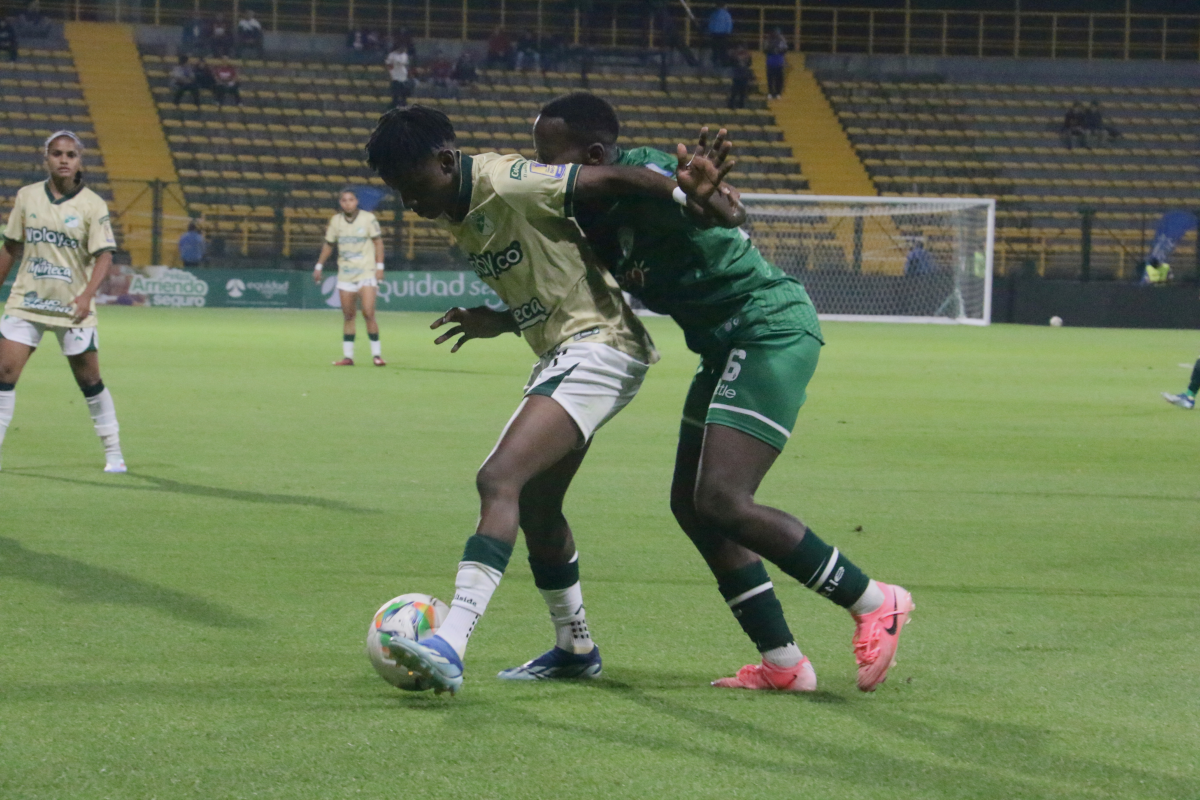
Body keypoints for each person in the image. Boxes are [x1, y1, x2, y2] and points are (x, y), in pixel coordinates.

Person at [529, 91, 913, 693]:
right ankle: (783, 663)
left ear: (598, 153)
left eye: (551, 158)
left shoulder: (650, 170)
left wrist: (707, 197)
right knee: (694, 506)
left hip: (768, 328)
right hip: (723, 347)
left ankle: (873, 599)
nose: (545, 170)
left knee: (724, 499)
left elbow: (718, 210)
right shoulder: (595, 216)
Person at [363, 105, 740, 695]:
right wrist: (503, 318)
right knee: (538, 505)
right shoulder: (455, 206)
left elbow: (613, 177)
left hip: (601, 345)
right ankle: (575, 646)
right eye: (400, 195)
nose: (412, 205)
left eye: (415, 189)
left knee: (499, 478)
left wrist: (686, 193)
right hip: (569, 349)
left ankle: (451, 639)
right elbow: (551, 275)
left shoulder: (503, 179)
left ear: (445, 161)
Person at [0, 131, 125, 473]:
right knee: (4, 374)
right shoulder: (27, 197)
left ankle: (113, 451)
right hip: (27, 303)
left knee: (89, 381)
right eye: (57, 154)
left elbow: (104, 256)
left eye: (70, 154)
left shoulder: (92, 204)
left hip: (72, 307)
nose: (64, 160)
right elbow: (11, 246)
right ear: (47, 159)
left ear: (79, 160)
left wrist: (86, 295)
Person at [313, 188, 385, 367]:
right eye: (344, 200)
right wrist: (319, 265)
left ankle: (376, 355)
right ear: (340, 203)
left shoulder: (368, 219)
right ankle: (348, 357)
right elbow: (329, 245)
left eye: (351, 200)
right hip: (345, 273)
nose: (347, 203)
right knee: (348, 315)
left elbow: (378, 242)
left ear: (356, 202)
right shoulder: (336, 221)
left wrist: (379, 267)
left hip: (366, 271)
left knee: (368, 312)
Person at [707, 2, 733, 67]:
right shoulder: (727, 14)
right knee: (723, 49)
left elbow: (710, 24)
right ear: (724, 6)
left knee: (715, 49)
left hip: (714, 34)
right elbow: (729, 24)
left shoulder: (713, 14)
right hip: (723, 34)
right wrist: (728, 32)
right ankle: (724, 63)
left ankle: (715, 61)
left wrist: (710, 31)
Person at [765, 28, 787, 99]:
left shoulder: (782, 41)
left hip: (779, 63)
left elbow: (785, 50)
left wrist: (778, 50)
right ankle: (770, 93)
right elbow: (765, 50)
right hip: (770, 63)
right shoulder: (768, 40)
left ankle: (778, 93)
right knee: (770, 79)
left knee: (779, 79)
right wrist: (772, 49)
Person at [728, 46, 752, 110]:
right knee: (734, 92)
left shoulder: (747, 57)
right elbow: (731, 62)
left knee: (743, 93)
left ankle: (741, 105)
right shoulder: (734, 57)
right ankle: (731, 105)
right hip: (737, 77)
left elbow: (749, 63)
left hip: (744, 77)